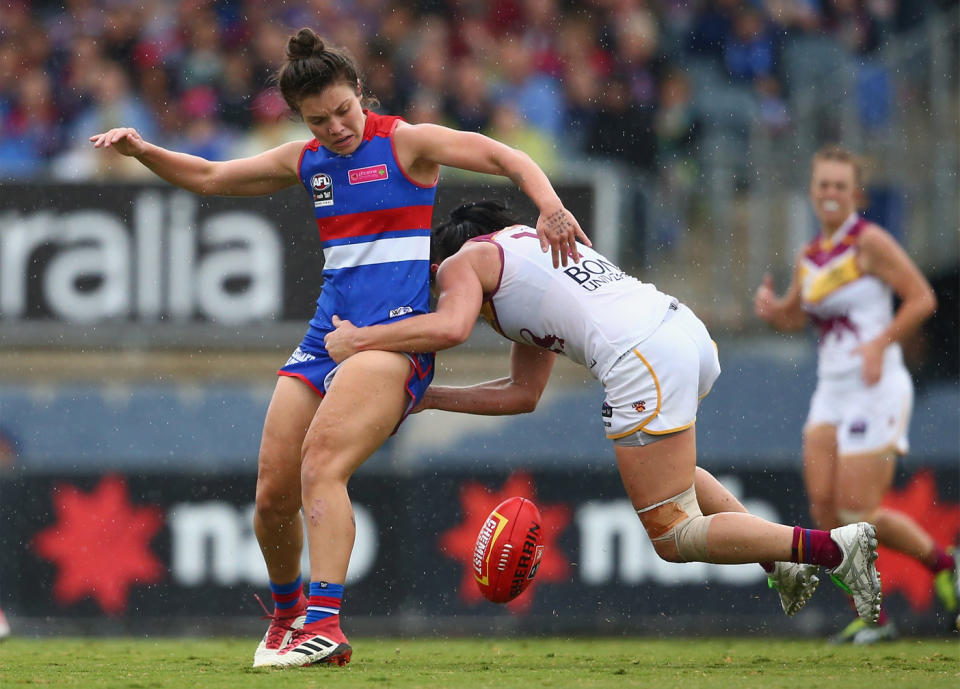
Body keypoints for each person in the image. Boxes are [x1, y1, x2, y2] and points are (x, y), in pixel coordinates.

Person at [91, 29, 589, 669]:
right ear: (301, 118)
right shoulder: (305, 160)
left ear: (360, 92)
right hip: (327, 338)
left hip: (395, 339)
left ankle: (325, 625)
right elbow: (211, 177)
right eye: (318, 120)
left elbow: (507, 158)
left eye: (343, 112)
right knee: (272, 493)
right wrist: (140, 150)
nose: (336, 128)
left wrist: (548, 207)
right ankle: (286, 616)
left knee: (321, 466)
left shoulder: (408, 142)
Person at [323, 200, 884, 623]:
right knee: (674, 479)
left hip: (641, 356)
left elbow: (448, 327)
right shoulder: (525, 261)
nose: (446, 292)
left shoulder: (461, 262)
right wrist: (429, 399)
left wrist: (361, 340)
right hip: (682, 333)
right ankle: (781, 563)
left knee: (674, 535)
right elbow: (523, 395)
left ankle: (831, 547)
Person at [753, 145, 957, 642]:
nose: (830, 193)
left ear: (855, 194)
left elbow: (922, 298)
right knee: (824, 510)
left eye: (840, 186)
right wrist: (773, 309)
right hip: (832, 389)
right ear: (812, 190)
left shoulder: (870, 243)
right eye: (823, 184)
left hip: (876, 385)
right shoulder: (810, 257)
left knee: (857, 511)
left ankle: (945, 563)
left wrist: (880, 344)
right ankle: (874, 618)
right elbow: (796, 316)